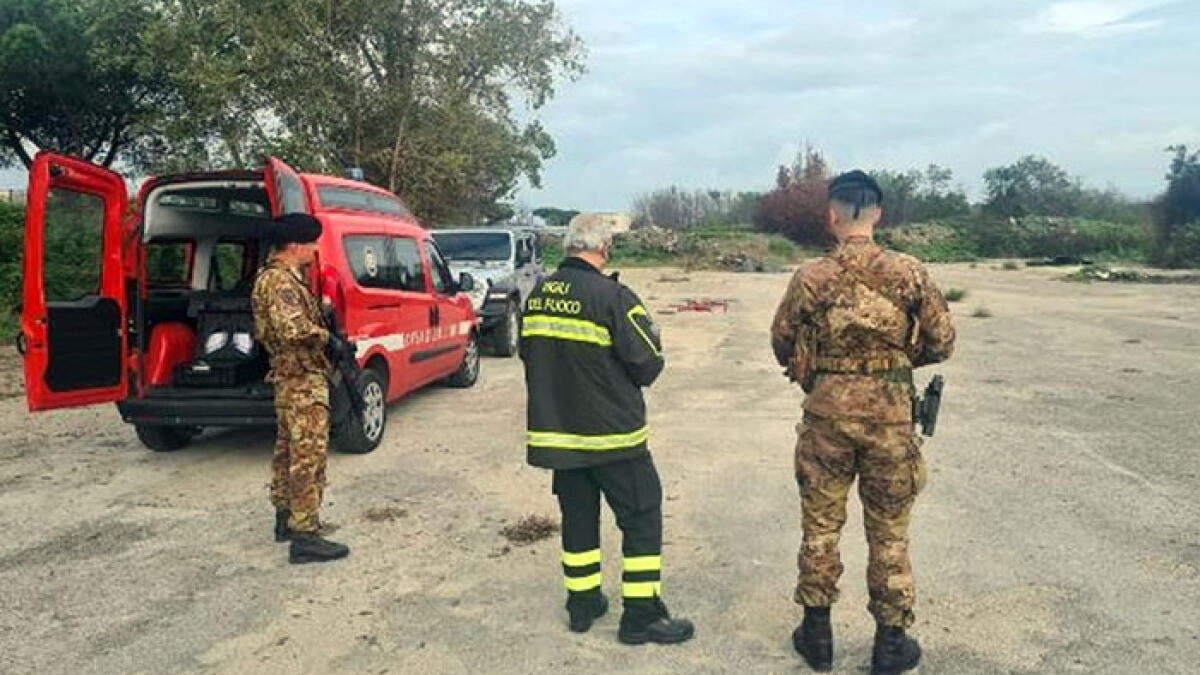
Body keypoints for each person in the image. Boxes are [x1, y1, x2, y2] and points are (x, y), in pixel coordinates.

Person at [770, 171, 955, 674]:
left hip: (826, 418)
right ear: (878, 214)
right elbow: (942, 341)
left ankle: (817, 635)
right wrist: (892, 365)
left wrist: (830, 365)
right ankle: (891, 645)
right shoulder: (910, 273)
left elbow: (782, 341)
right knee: (890, 531)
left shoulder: (811, 277)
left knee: (821, 527)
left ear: (832, 216)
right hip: (891, 421)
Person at [519, 217, 694, 645]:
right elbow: (648, 365)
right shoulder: (613, 297)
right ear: (606, 247)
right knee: (641, 517)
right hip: (614, 439)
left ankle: (582, 605)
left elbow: (529, 354)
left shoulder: (538, 294)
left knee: (578, 520)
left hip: (561, 436)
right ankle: (640, 616)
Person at [251, 213, 349, 564]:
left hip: (290, 378)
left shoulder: (280, 278)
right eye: (311, 243)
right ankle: (305, 534)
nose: (314, 249)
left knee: (288, 452)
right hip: (301, 379)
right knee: (308, 456)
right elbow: (293, 329)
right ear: (294, 245)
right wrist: (329, 339)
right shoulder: (280, 281)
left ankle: (286, 519)